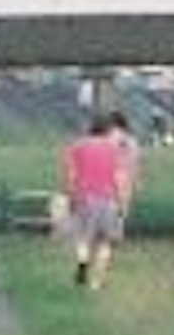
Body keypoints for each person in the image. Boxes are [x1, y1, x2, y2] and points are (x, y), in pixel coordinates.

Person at [59, 99, 139, 290]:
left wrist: (71, 197)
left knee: (83, 238)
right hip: (109, 200)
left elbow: (71, 175)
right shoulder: (115, 150)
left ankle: (82, 263)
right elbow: (119, 177)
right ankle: (96, 282)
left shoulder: (77, 146)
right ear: (107, 130)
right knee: (106, 243)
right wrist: (123, 203)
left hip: (84, 198)